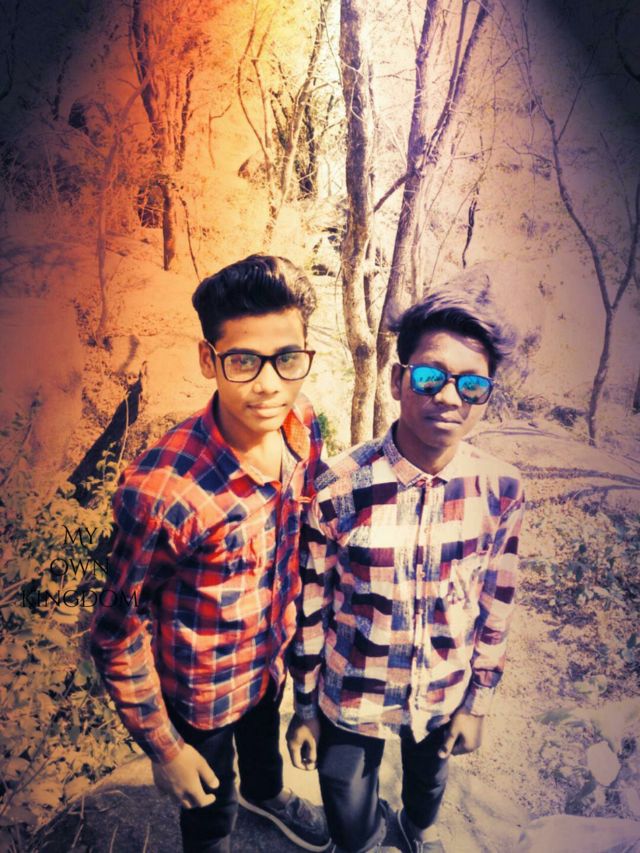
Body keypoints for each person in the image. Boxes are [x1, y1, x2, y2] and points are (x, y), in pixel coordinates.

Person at [90, 254, 331, 853]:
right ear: (209, 359)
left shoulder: (300, 427)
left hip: (268, 662)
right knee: (208, 810)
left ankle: (267, 795)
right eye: (243, 361)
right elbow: (115, 631)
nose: (269, 384)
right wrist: (165, 749)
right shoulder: (162, 492)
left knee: (263, 752)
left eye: (287, 359)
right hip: (201, 695)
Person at [287, 287, 525, 853]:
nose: (449, 396)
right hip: (351, 693)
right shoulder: (337, 487)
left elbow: (496, 605)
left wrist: (477, 704)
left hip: (443, 691)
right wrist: (304, 707)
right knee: (348, 817)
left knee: (427, 793)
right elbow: (311, 605)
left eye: (472, 384)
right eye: (430, 377)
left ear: (486, 396)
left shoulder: (501, 489)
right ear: (398, 381)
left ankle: (415, 833)